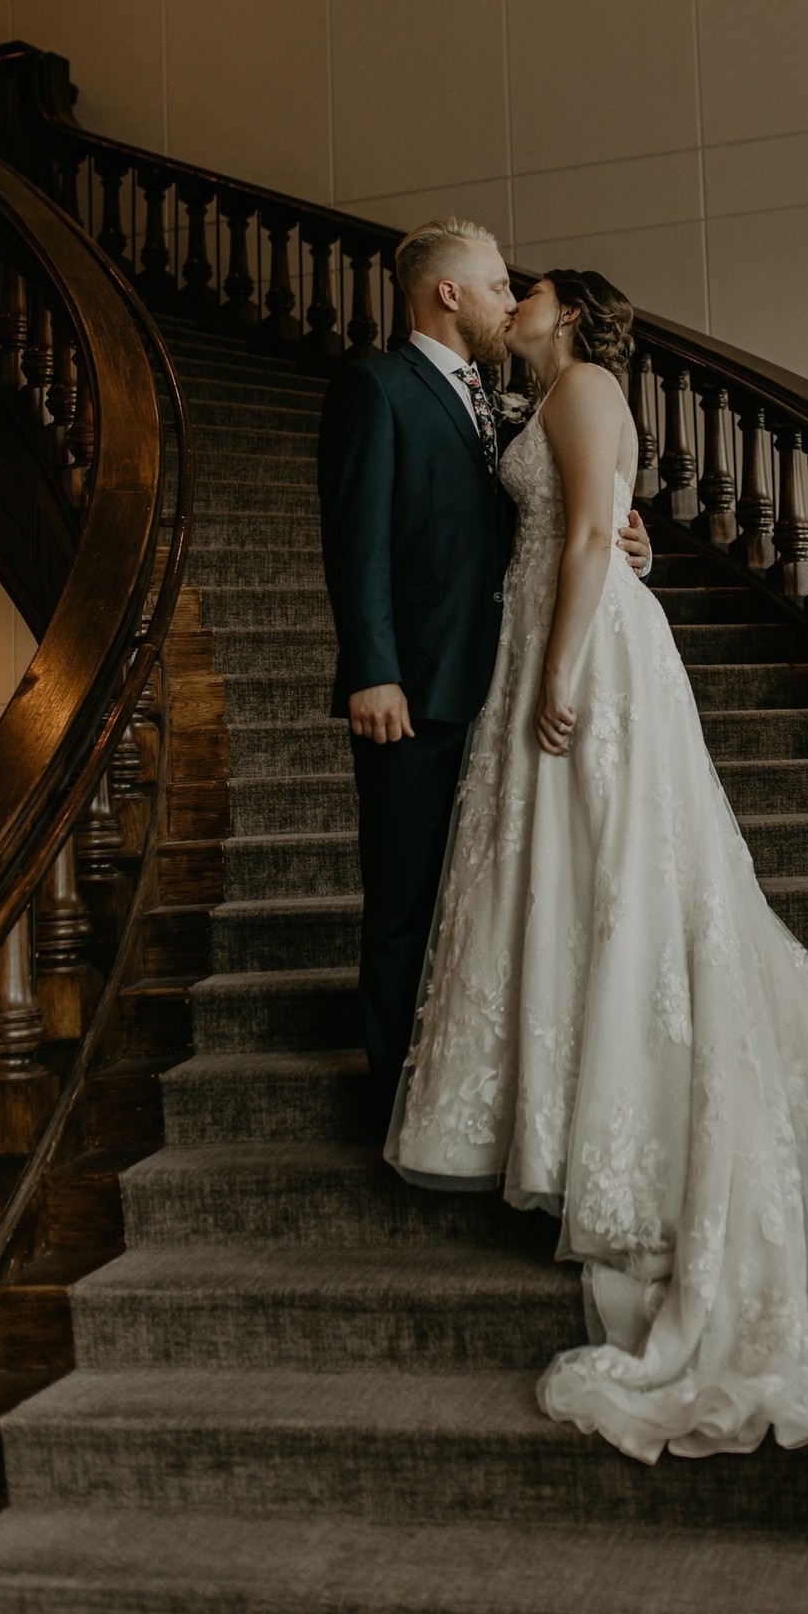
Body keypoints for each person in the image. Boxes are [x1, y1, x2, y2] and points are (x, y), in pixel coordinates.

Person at [387, 267, 808, 1464]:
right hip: (555, 629)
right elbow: (589, 524)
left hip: (588, 655)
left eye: (528, 288)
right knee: (573, 885)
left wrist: (564, 673)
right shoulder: (542, 403)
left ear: (569, 312)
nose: (514, 298)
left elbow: (591, 529)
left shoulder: (584, 385)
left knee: (633, 883)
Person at [316, 220, 650, 1129]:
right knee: (404, 897)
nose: (512, 298)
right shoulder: (376, 390)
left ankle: (473, 1086)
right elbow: (358, 545)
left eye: (517, 288)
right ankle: (396, 1098)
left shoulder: (508, 396)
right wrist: (371, 669)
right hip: (415, 689)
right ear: (446, 294)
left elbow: (553, 521)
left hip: (503, 682)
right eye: (498, 284)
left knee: (486, 901)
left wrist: (626, 529)